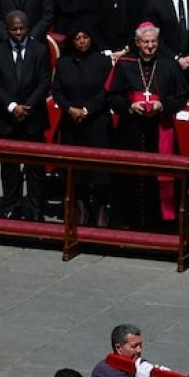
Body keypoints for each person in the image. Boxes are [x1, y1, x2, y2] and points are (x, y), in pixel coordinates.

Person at [109, 22, 188, 228]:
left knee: (159, 177)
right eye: (146, 42)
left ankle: (159, 226)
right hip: (130, 131)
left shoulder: (168, 64)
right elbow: (112, 97)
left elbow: (181, 98)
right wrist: (130, 106)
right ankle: (127, 224)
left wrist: (162, 106)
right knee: (128, 178)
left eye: (153, 41)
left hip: (160, 130)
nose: (150, 46)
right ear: (137, 42)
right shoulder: (125, 64)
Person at [0, 10, 51, 222]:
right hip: (7, 118)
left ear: (27, 27)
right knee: (9, 167)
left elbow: (44, 82)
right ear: (7, 30)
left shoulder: (40, 50)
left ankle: (35, 207)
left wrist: (28, 106)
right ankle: (11, 205)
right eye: (14, 29)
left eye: (21, 28)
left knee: (35, 167)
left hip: (33, 118)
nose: (18, 32)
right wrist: (12, 106)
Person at [52, 25, 113, 226]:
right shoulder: (63, 63)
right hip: (72, 123)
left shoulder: (102, 62)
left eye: (85, 37)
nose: (81, 41)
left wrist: (87, 110)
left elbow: (106, 92)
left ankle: (101, 209)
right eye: (77, 38)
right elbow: (57, 90)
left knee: (99, 171)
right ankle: (81, 208)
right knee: (76, 171)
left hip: (97, 122)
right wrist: (70, 108)